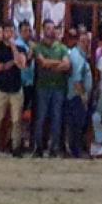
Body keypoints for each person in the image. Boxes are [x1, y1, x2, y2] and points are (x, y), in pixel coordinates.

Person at [32, 21, 70, 157]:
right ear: (43, 30)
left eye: (52, 28)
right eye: (48, 28)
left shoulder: (62, 48)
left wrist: (51, 64)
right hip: (43, 87)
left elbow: (67, 65)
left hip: (58, 88)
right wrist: (58, 63)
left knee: (56, 118)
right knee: (41, 117)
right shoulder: (38, 47)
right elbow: (42, 62)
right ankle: (39, 147)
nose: (51, 31)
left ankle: (54, 148)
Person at [0, 24, 25, 158]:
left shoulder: (20, 48)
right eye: (6, 31)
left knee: (17, 120)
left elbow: (21, 64)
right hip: (1, 89)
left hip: (16, 89)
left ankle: (16, 147)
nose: (9, 33)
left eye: (11, 31)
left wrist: (14, 47)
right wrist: (11, 63)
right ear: (3, 32)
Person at [64, 33, 92, 158]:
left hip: (77, 95)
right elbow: (76, 80)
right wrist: (83, 97)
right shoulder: (77, 57)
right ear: (78, 42)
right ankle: (76, 150)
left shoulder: (82, 56)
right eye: (83, 41)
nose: (86, 44)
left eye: (87, 41)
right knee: (77, 124)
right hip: (76, 96)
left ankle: (76, 149)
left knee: (78, 123)